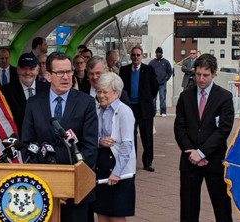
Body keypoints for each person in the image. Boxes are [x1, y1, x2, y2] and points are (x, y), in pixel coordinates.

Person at [22, 51, 98, 222]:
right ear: (48, 76)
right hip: (42, 190)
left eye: (69, 71)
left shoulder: (86, 103)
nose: (66, 77)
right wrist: (48, 184)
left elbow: (90, 148)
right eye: (60, 73)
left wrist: (66, 186)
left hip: (75, 191)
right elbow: (28, 145)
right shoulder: (34, 104)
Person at [174, 53, 234, 222]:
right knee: (188, 209)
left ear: (214, 74)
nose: (201, 79)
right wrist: (191, 153)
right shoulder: (185, 97)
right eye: (198, 74)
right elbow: (179, 127)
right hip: (189, 160)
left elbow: (223, 130)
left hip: (214, 160)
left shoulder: (224, 97)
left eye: (205, 75)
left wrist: (202, 153)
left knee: (221, 207)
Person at [93, 72, 136, 222]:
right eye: (99, 91)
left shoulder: (124, 111)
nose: (101, 95)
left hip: (119, 169)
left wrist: (117, 173)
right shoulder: (97, 110)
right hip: (102, 166)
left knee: (116, 215)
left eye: (105, 92)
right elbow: (93, 136)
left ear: (116, 93)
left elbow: (127, 144)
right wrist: (100, 141)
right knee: (102, 213)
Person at [119, 46, 159, 172]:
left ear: (142, 56)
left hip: (144, 108)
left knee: (147, 136)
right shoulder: (124, 70)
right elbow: (121, 88)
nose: (136, 57)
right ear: (131, 56)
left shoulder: (148, 70)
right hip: (129, 107)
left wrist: (147, 99)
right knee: (130, 135)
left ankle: (147, 162)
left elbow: (155, 87)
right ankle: (131, 161)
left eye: (138, 55)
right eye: (134, 55)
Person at [1, 53, 49, 138]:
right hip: (19, 142)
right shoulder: (6, 92)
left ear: (37, 70)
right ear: (18, 69)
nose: (27, 72)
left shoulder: (48, 89)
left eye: (31, 69)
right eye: (24, 68)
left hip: (44, 141)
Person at [148, 47, 172, 117]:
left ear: (162, 54)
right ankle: (153, 111)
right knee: (153, 98)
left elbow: (170, 71)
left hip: (162, 83)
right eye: (157, 53)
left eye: (159, 53)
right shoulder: (152, 62)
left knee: (162, 97)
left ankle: (163, 112)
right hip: (153, 84)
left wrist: (166, 79)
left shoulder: (166, 62)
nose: (158, 54)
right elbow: (148, 71)